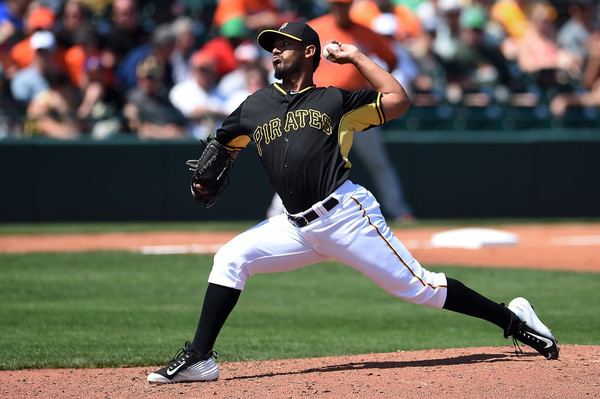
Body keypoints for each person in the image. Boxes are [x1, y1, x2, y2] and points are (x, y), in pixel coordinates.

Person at [147, 21, 559, 384]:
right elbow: (224, 143)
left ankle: (515, 320)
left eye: (284, 43)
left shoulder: (334, 100)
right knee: (230, 258)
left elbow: (397, 99)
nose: (274, 49)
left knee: (424, 289)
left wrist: (357, 56)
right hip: (294, 226)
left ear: (309, 52)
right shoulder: (255, 106)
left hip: (345, 216)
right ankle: (199, 359)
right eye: (271, 44)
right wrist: (210, 172)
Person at [309, 0, 414, 222]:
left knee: (378, 162)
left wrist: (368, 76)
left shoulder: (366, 32)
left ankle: (398, 209)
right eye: (337, 4)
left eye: (345, 4)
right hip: (321, 106)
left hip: (358, 105)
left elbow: (391, 60)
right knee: (304, 161)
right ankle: (277, 212)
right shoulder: (315, 28)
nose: (341, 8)